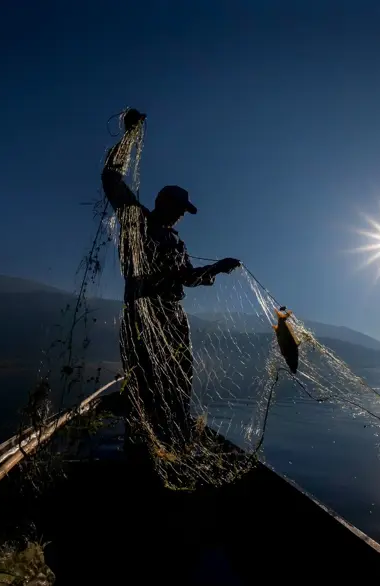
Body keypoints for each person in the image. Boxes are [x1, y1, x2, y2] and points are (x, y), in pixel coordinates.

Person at [101, 108, 240, 462]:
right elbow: (110, 178)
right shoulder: (136, 220)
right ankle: (139, 448)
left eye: (184, 210)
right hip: (141, 315)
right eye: (178, 208)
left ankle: (173, 442)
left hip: (173, 317)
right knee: (144, 380)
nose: (181, 215)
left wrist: (218, 269)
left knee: (179, 378)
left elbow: (188, 277)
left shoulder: (177, 242)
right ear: (162, 203)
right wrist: (130, 135)